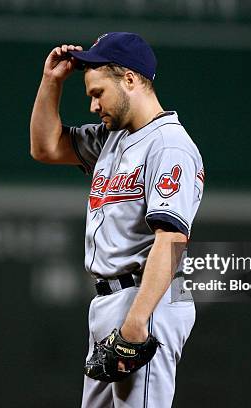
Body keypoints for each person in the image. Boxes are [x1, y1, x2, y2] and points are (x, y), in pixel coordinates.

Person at [29, 32, 204, 408]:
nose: (93, 106)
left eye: (97, 93)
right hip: (112, 303)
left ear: (129, 78)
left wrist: (137, 322)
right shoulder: (113, 138)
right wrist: (51, 82)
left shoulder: (168, 145)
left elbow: (171, 239)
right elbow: (45, 147)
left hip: (147, 298)